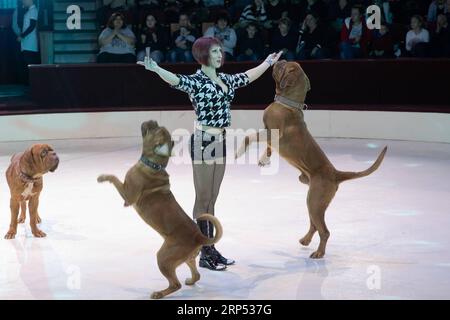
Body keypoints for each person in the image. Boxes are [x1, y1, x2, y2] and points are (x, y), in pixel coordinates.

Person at [137, 36, 282, 271]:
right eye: (215, 51)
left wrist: (267, 62)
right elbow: (176, 80)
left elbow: (247, 77)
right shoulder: (197, 81)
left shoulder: (225, 79)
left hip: (221, 139)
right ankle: (203, 251)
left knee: (212, 198)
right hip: (203, 140)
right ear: (204, 55)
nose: (219, 55)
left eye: (220, 51)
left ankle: (210, 248)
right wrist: (156, 69)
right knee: (202, 198)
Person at [12, 0, 39, 85]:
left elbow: (32, 26)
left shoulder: (33, 10)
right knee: (27, 65)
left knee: (30, 65)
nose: (23, 2)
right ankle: (30, 84)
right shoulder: (30, 11)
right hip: (27, 43)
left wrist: (22, 36)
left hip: (30, 44)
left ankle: (33, 85)